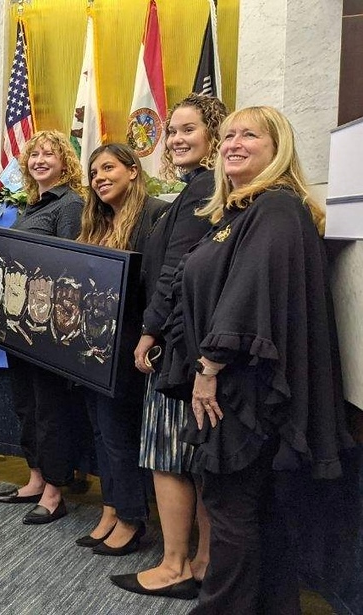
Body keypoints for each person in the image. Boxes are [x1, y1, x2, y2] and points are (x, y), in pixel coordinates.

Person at [156, 106, 353, 614]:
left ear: (278, 146)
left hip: (242, 391)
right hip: (238, 386)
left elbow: (248, 297)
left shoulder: (277, 207)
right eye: (228, 136)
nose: (232, 143)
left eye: (250, 134)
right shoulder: (242, 212)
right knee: (258, 512)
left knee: (231, 509)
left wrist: (208, 370)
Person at [111, 94, 228, 599]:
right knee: (192, 459)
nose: (176, 138)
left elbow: (174, 271)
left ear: (213, 136)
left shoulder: (202, 187)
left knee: (168, 455)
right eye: (172, 130)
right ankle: (201, 562)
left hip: (177, 345)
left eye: (188, 129)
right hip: (192, 340)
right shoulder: (199, 188)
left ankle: (175, 563)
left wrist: (149, 331)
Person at [0, 130, 85, 525]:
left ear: (65, 162)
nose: (40, 160)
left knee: (50, 410)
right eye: (34, 155)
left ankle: (54, 491)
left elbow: (70, 265)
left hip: (49, 330)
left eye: (49, 154)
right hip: (19, 324)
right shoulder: (28, 207)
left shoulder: (71, 204)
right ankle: (34, 478)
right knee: (25, 405)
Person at [75, 143, 165, 555]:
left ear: (132, 170)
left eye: (108, 168)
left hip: (131, 344)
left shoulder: (156, 215)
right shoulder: (98, 221)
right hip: (95, 345)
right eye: (94, 173)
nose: (100, 178)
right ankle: (110, 508)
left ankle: (132, 518)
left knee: (117, 432)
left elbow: (162, 284)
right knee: (99, 428)